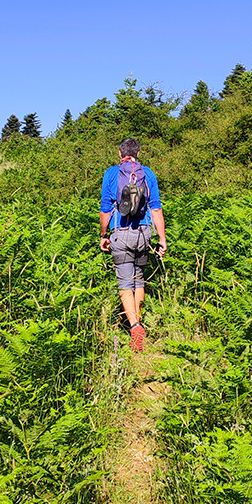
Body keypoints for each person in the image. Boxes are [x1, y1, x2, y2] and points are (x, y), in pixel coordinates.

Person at [99, 137, 166, 352]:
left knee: (125, 282)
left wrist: (103, 234)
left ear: (120, 154)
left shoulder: (111, 173)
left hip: (121, 232)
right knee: (139, 279)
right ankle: (138, 322)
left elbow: (105, 208)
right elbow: (156, 208)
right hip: (144, 233)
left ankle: (135, 326)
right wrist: (162, 240)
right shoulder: (148, 174)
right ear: (138, 153)